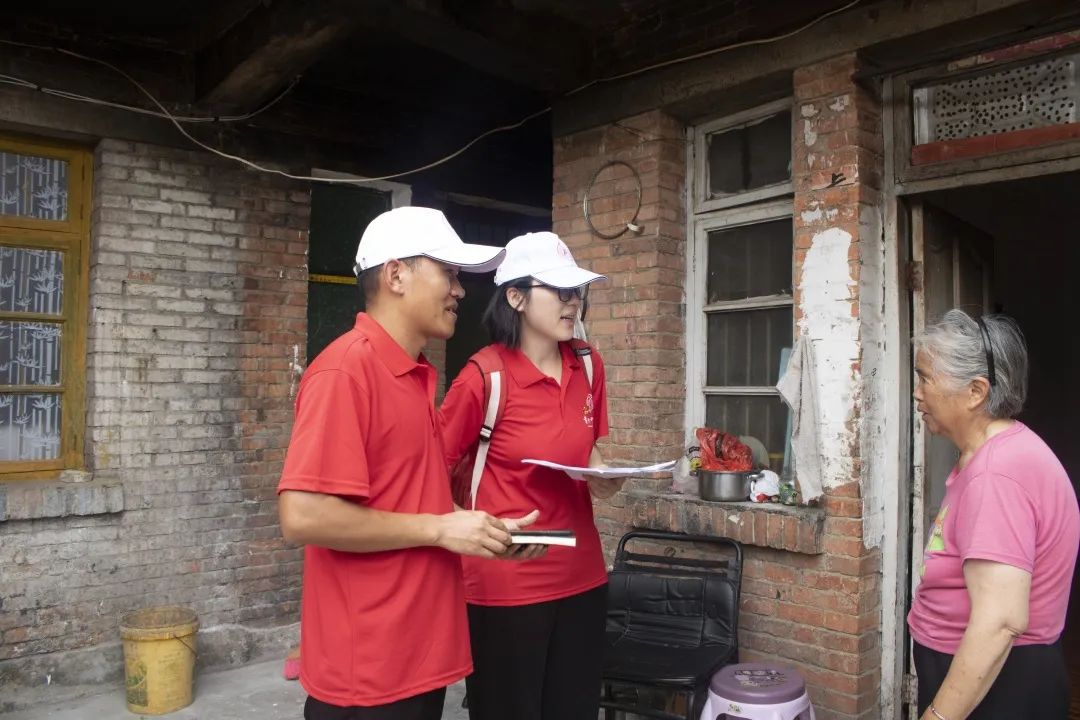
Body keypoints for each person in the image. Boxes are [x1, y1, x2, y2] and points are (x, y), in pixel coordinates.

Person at [277, 206, 539, 720]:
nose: (459, 291)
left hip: (418, 657)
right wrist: (440, 529)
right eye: (449, 273)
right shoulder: (345, 372)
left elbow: (411, 501)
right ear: (396, 275)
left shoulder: (414, 374)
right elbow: (303, 516)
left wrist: (479, 530)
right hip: (368, 672)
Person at [439, 231, 622, 720]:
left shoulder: (588, 364)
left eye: (576, 291)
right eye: (559, 290)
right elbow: (430, 467)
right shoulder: (484, 377)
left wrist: (603, 475)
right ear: (516, 298)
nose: (572, 301)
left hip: (582, 574)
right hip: (505, 583)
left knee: (574, 709)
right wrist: (457, 526)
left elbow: (588, 448)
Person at [907, 309, 1079, 720]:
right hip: (989, 677)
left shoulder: (997, 474)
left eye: (925, 379)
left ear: (975, 392)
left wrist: (938, 716)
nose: (917, 393)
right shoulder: (995, 454)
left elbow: (1000, 621)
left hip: (1000, 686)